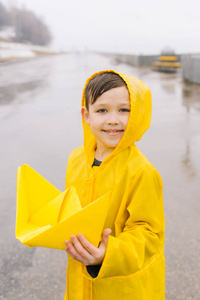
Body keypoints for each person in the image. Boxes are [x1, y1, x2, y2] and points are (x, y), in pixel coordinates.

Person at [64, 70, 165, 300]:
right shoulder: (76, 159)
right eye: (102, 110)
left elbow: (149, 235)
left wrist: (107, 255)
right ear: (86, 115)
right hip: (81, 277)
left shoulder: (141, 171)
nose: (112, 119)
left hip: (122, 287)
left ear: (137, 113)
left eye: (124, 110)